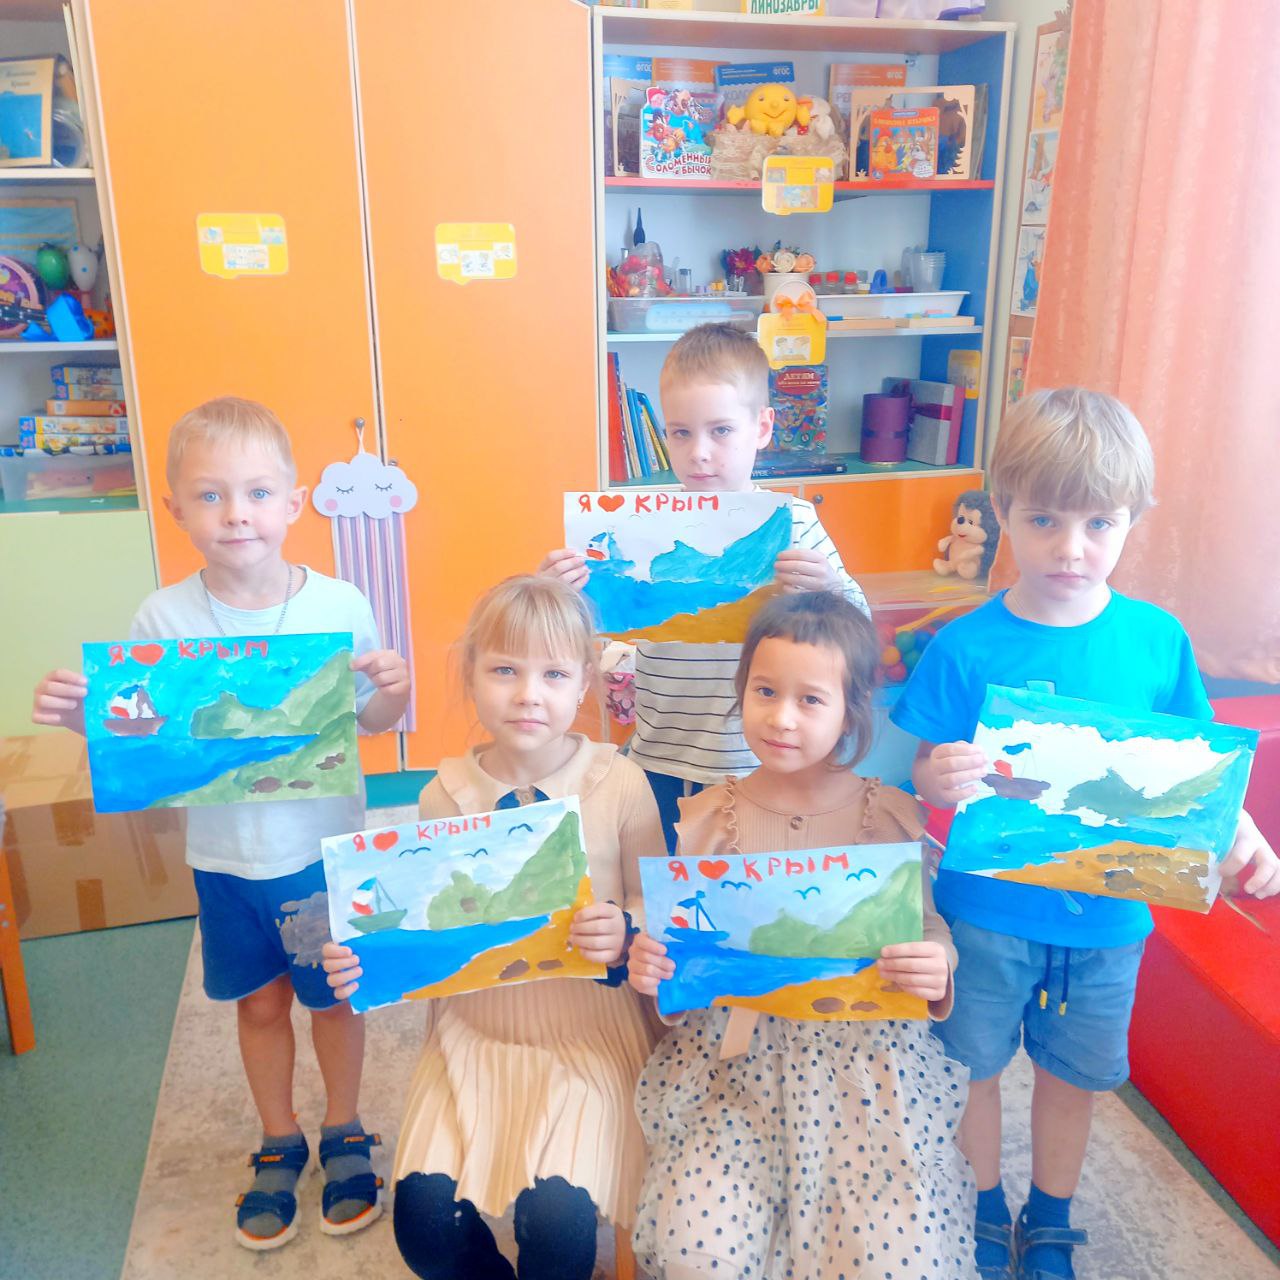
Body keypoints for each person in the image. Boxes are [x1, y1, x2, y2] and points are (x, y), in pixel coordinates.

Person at [893, 387, 1280, 1280]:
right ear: (1002, 512)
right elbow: (920, 769)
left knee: (1073, 1080)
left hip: (1106, 924)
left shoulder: (1155, 640)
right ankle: (980, 1206)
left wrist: (1243, 832)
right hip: (985, 914)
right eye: (1044, 520)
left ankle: (1052, 1219)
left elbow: (1202, 776)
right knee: (971, 1070)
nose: (1071, 548)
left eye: (1099, 523)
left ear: (1134, 518)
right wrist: (936, 775)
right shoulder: (965, 645)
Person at [33, 396, 411, 1250]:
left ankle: (345, 1127)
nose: (236, 514)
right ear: (176, 509)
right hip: (225, 862)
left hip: (318, 856)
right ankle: (279, 1137)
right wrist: (83, 721)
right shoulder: (162, 620)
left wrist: (393, 690)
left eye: (257, 493)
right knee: (259, 1005)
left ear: (295, 502)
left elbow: (373, 722)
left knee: (334, 1000)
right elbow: (144, 740)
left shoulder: (340, 604)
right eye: (210, 496)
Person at [322, 575, 665, 1280]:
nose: (528, 694)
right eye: (505, 670)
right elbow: (418, 924)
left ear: (586, 683)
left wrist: (626, 926)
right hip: (473, 1033)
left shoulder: (620, 782)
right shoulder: (442, 795)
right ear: (471, 677)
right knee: (423, 1228)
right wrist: (365, 957)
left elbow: (655, 902)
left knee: (560, 1228)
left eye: (554, 674)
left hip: (588, 1034)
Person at [628, 590, 974, 1279]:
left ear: (852, 710)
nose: (781, 718)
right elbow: (680, 961)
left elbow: (929, 926)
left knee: (889, 1262)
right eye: (764, 691)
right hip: (734, 1073)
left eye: (811, 700)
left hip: (864, 1079)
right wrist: (655, 968)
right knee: (697, 1253)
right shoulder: (705, 818)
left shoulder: (890, 815)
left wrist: (937, 963)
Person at [542, 323, 867, 849]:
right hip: (658, 755)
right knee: (661, 878)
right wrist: (558, 592)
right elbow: (572, 634)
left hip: (760, 760)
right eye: (680, 433)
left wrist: (828, 590)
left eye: (721, 431)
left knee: (749, 880)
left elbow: (860, 629)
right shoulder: (638, 525)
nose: (698, 452)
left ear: (762, 427)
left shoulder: (794, 522)